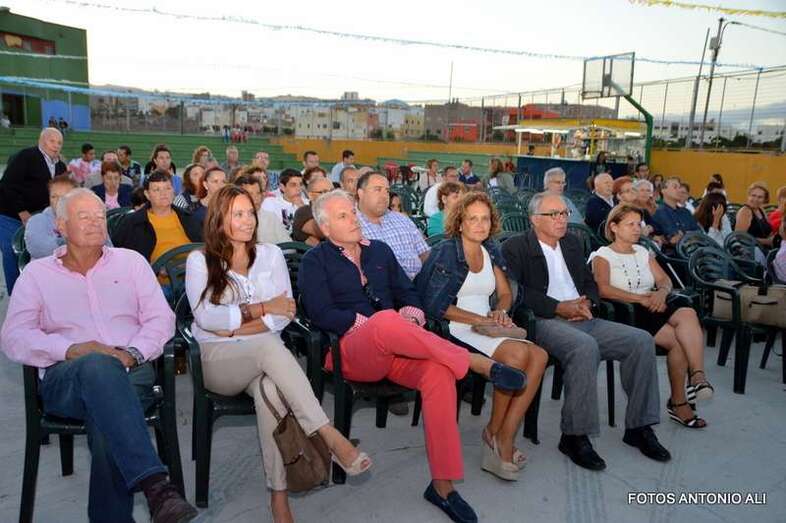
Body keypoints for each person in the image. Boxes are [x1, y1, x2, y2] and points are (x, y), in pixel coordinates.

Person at [299, 189, 526, 522]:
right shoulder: (315, 261)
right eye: (343, 216)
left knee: (439, 374)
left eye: (353, 212)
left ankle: (443, 486)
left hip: (397, 346)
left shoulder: (379, 250)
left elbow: (409, 292)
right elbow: (320, 313)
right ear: (324, 227)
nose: (354, 219)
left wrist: (412, 316)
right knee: (385, 320)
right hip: (349, 351)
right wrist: (375, 324)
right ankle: (475, 362)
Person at [0, 188, 197, 522]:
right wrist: (70, 349)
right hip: (67, 377)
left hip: (132, 369)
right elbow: (14, 336)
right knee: (96, 366)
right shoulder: (37, 274)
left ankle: (147, 495)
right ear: (60, 225)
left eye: (100, 216)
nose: (95, 222)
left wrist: (133, 353)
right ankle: (156, 486)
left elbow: (161, 319)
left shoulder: (131, 263)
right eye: (84, 216)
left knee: (106, 420)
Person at [185, 185, 371, 521]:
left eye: (250, 213)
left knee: (270, 391)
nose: (248, 221)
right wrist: (261, 309)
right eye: (237, 214)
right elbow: (206, 319)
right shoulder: (200, 261)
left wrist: (234, 325)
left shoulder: (270, 255)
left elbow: (284, 314)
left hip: (265, 360)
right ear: (218, 219)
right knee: (268, 344)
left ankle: (279, 494)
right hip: (219, 361)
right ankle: (327, 433)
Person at [503, 192, 669, 471]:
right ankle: (574, 436)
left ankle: (639, 427)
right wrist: (559, 307)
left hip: (582, 316)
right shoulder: (516, 246)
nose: (561, 219)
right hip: (544, 320)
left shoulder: (572, 242)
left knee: (641, 340)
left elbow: (589, 282)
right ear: (534, 219)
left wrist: (587, 303)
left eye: (564, 213)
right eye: (553, 214)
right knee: (584, 347)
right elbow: (517, 292)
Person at [416, 192, 548, 480]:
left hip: (487, 324)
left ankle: (502, 434)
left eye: (485, 219)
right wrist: (480, 319)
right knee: (518, 355)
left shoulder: (491, 249)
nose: (479, 224)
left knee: (539, 356)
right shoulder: (446, 252)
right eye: (472, 219)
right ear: (459, 223)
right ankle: (496, 440)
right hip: (455, 327)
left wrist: (500, 312)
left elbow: (505, 293)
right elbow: (434, 304)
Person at [591, 204, 711, 429]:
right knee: (678, 341)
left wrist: (661, 293)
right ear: (614, 227)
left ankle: (697, 376)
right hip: (626, 310)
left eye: (639, 224)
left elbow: (664, 280)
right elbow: (603, 289)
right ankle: (679, 403)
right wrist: (641, 299)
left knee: (687, 311)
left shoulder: (643, 252)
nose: (637, 229)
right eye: (630, 224)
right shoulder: (603, 255)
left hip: (653, 302)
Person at [0, 127, 67, 293]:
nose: (56, 145)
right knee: (13, 253)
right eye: (52, 141)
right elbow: (7, 185)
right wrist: (22, 212)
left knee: (39, 256)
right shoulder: (26, 156)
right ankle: (16, 294)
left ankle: (35, 293)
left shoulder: (60, 166)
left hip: (40, 218)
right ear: (41, 141)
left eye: (59, 143)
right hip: (12, 217)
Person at [112, 170, 203, 263]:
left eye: (168, 188)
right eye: (157, 190)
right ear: (147, 194)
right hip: (154, 270)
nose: (164, 193)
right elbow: (118, 255)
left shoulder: (189, 218)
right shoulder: (132, 223)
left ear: (173, 191)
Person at [356, 171, 430, 280]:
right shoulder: (351, 225)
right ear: (361, 194)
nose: (384, 196)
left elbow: (424, 253)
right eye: (377, 189)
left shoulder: (402, 219)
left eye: (387, 191)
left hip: (417, 283)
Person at [25, 175, 78, 259]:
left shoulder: (87, 219)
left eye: (64, 197)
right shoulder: (37, 220)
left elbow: (99, 246)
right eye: (54, 197)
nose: (58, 201)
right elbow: (42, 249)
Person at [231, 174, 291, 245]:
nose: (256, 198)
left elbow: (289, 245)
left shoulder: (271, 217)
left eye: (258, 193)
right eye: (250, 194)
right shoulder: (233, 221)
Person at [653, 177, 700, 251]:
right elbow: (674, 239)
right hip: (676, 255)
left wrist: (684, 234)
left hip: (695, 251)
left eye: (679, 187)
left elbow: (699, 234)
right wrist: (689, 234)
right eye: (675, 187)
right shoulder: (661, 212)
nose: (679, 190)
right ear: (663, 191)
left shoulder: (686, 212)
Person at [292, 177, 333, 246]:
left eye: (332, 191)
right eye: (324, 192)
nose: (330, 196)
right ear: (311, 195)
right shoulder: (304, 212)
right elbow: (325, 231)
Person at [735, 182, 774, 250]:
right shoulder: (745, 211)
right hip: (750, 251)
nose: (755, 199)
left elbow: (768, 229)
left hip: (764, 249)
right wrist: (766, 241)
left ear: (764, 199)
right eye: (753, 195)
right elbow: (739, 237)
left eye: (760, 197)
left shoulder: (760, 209)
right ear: (748, 196)